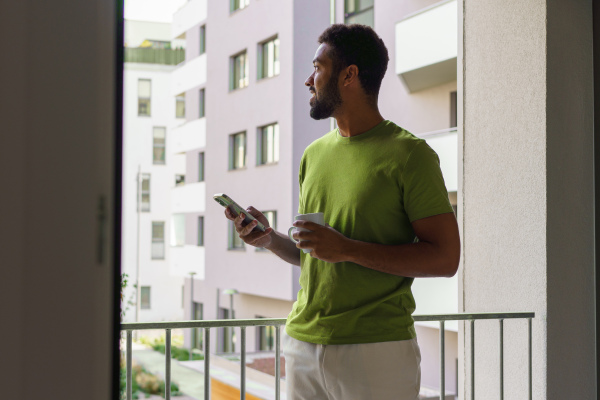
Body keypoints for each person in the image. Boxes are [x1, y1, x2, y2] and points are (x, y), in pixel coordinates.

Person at [224, 24, 460, 400]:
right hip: (302, 342)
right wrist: (269, 239)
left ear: (349, 75)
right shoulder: (313, 155)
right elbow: (316, 257)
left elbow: (446, 259)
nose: (308, 80)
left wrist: (348, 248)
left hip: (376, 351)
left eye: (317, 67)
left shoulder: (410, 156)